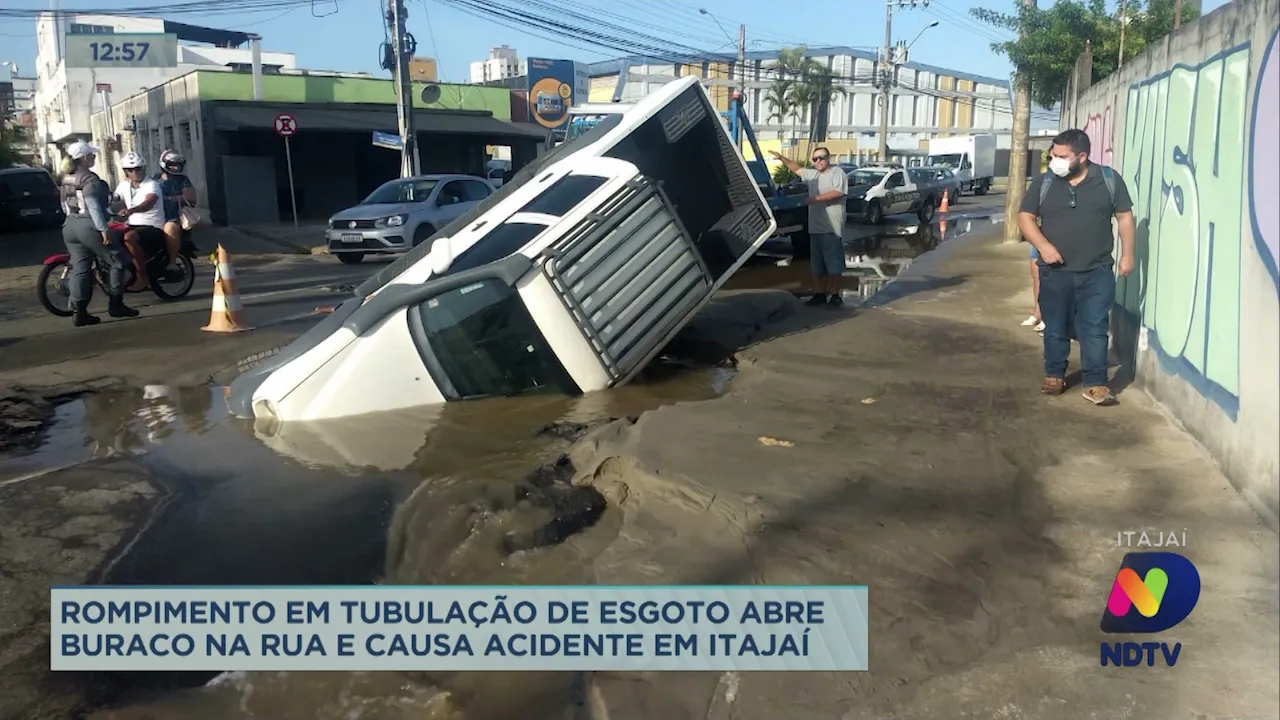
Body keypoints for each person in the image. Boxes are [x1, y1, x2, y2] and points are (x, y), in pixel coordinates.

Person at [1018, 129, 1136, 406]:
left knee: (1094, 326)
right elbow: (1025, 217)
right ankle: (1054, 375)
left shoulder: (1107, 180)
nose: (1054, 160)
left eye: (1061, 156)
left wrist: (1128, 255)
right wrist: (1043, 247)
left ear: (1082, 157)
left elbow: (1125, 218)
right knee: (1055, 326)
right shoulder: (1045, 182)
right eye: (1053, 155)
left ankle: (1095, 383)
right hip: (1055, 272)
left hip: (1097, 271)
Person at [57, 140, 139, 326]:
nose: (94, 157)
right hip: (89, 225)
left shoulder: (66, 177)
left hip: (70, 225)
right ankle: (116, 305)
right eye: (92, 155)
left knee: (80, 268)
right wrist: (103, 229)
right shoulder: (89, 179)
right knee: (118, 261)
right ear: (84, 158)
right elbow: (93, 206)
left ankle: (79, 312)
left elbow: (63, 204)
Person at [769, 147, 849, 308]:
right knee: (817, 266)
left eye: (821, 158)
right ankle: (819, 294)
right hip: (815, 229)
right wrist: (782, 158)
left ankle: (835, 295)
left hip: (831, 228)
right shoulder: (813, 176)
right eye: (815, 159)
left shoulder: (837, 173)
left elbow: (838, 192)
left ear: (828, 158)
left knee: (833, 266)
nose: (818, 161)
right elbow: (797, 169)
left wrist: (816, 198)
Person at [112, 152, 169, 292]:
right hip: (131, 225)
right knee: (109, 235)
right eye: (130, 170)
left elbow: (148, 202)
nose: (135, 172)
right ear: (125, 172)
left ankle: (142, 277)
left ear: (143, 168)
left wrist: (131, 210)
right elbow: (115, 200)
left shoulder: (152, 184)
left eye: (138, 168)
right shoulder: (124, 185)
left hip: (152, 227)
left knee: (129, 237)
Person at [153, 149, 196, 269]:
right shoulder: (155, 179)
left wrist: (171, 198)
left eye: (177, 165)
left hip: (174, 217)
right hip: (154, 216)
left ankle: (172, 262)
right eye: (172, 164)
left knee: (170, 228)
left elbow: (191, 198)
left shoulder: (183, 180)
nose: (175, 167)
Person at [1020, 244, 1045, 333]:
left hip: (1053, 236)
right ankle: (1037, 313)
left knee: (1050, 275)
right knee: (1035, 273)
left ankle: (1048, 318)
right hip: (1037, 234)